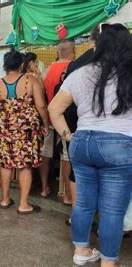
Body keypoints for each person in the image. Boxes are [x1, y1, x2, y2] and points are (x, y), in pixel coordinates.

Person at [48, 23, 132, 267]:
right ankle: (108, 262)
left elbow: (55, 108)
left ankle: (81, 251)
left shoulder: (81, 72)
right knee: (112, 211)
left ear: (97, 44)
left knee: (84, 203)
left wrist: (67, 135)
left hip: (82, 143)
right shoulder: (129, 73)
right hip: (120, 145)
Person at [0, 50, 49, 213]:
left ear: (5, 66)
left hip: (6, 128)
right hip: (27, 129)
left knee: (7, 163)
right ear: (22, 64)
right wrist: (45, 124)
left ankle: (5, 199)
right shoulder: (31, 80)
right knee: (25, 165)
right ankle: (23, 204)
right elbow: (41, 106)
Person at [60, 25, 100, 212]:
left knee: (78, 171)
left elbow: (55, 106)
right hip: (114, 132)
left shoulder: (76, 65)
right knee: (108, 178)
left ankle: (77, 213)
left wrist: (67, 134)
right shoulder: (119, 63)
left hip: (77, 127)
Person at [39, 39, 75, 197]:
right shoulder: (74, 68)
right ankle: (67, 194)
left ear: (57, 51)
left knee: (45, 153)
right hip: (67, 119)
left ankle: (44, 187)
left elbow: (41, 97)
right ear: (73, 50)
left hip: (48, 118)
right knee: (66, 156)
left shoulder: (46, 71)